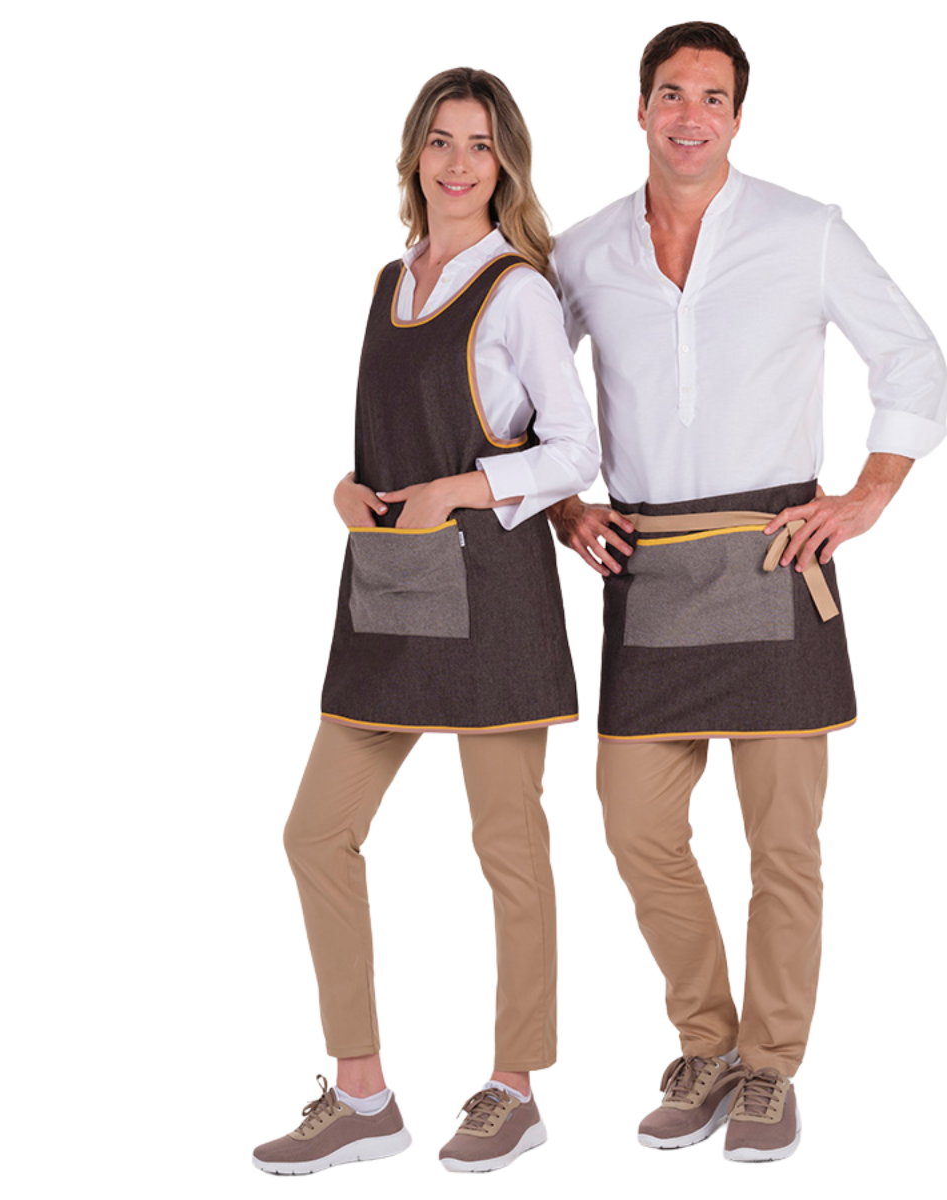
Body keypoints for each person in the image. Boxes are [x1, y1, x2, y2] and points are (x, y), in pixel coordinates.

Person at [549, 21, 947, 1163]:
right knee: (636, 825)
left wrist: (869, 494)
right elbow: (521, 387)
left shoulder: (804, 230)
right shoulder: (581, 252)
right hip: (652, 568)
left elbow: (912, 357)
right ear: (640, 108)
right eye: (672, 94)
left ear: (737, 114)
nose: (691, 117)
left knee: (783, 845)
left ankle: (770, 1068)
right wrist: (566, 506)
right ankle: (707, 1044)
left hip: (776, 557)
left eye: (713, 98)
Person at [253, 67, 598, 1176]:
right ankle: (363, 1095)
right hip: (393, 586)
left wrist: (462, 487)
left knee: (508, 847)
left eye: (480, 145)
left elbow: (577, 450)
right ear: (413, 155)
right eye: (441, 141)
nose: (458, 163)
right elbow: (386, 440)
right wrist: (345, 489)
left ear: (505, 165)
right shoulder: (388, 282)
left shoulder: (518, 291)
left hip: (494, 595)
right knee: (317, 833)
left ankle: (515, 1089)